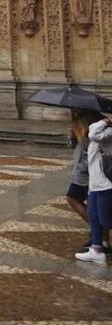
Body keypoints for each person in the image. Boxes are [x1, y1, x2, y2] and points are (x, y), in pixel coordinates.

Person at [77, 114, 112, 264]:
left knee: (106, 220)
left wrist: (103, 122)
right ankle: (96, 250)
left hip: (105, 184)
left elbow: (94, 133)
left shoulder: (107, 133)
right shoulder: (94, 138)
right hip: (95, 184)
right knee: (94, 217)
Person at [67, 110, 95, 246]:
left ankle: (97, 231)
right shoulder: (81, 130)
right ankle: (101, 237)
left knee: (72, 197)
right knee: (93, 207)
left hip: (85, 176)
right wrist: (72, 137)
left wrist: (81, 169)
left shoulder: (91, 132)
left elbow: (91, 155)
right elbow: (72, 146)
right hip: (83, 174)